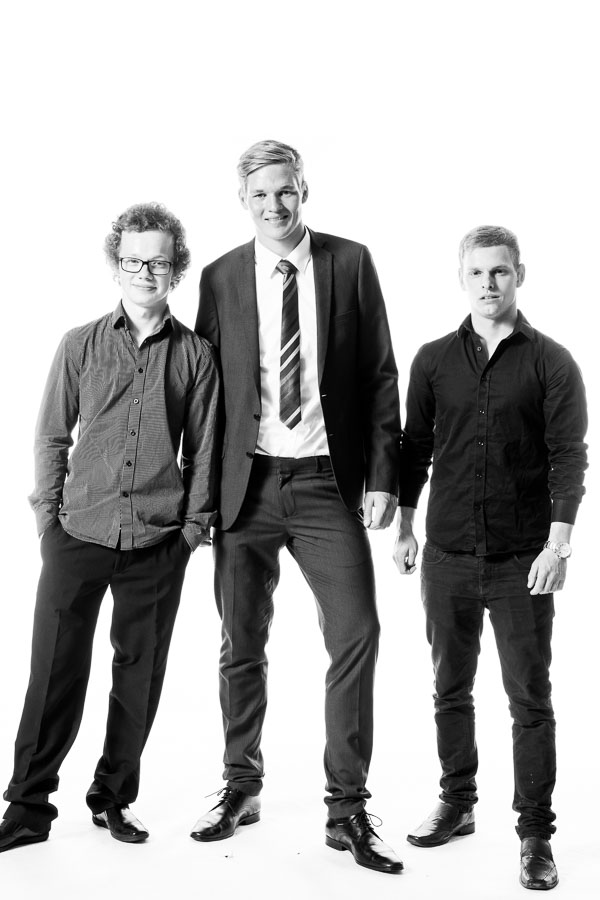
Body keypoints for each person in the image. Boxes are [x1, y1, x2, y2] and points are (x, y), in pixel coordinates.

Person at [191, 139, 403, 874]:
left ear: (304, 189)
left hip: (325, 484)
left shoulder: (350, 262)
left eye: (285, 190)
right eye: (260, 194)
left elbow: (379, 373)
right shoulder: (220, 276)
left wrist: (383, 477)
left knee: (357, 632)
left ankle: (347, 807)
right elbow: (208, 394)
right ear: (242, 201)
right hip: (245, 487)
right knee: (240, 642)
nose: (274, 205)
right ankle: (240, 785)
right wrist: (200, 495)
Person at [0, 202, 220, 852]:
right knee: (53, 674)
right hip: (77, 535)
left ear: (176, 268)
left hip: (157, 542)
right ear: (115, 265)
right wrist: (49, 523)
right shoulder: (79, 344)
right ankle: (27, 807)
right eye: (132, 260)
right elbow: (50, 436)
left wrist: (190, 533)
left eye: (158, 261)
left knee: (138, 678)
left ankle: (113, 798)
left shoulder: (196, 356)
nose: (144, 272)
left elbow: (204, 451)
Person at [394, 225, 588, 890]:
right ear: (461, 278)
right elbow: (414, 448)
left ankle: (535, 834)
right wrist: (404, 527)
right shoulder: (432, 360)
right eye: (476, 272)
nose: (488, 283)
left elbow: (569, 457)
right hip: (446, 553)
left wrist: (558, 544)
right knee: (449, 688)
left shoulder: (552, 362)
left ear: (519, 275)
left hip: (521, 561)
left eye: (499, 271)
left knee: (529, 699)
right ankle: (458, 802)